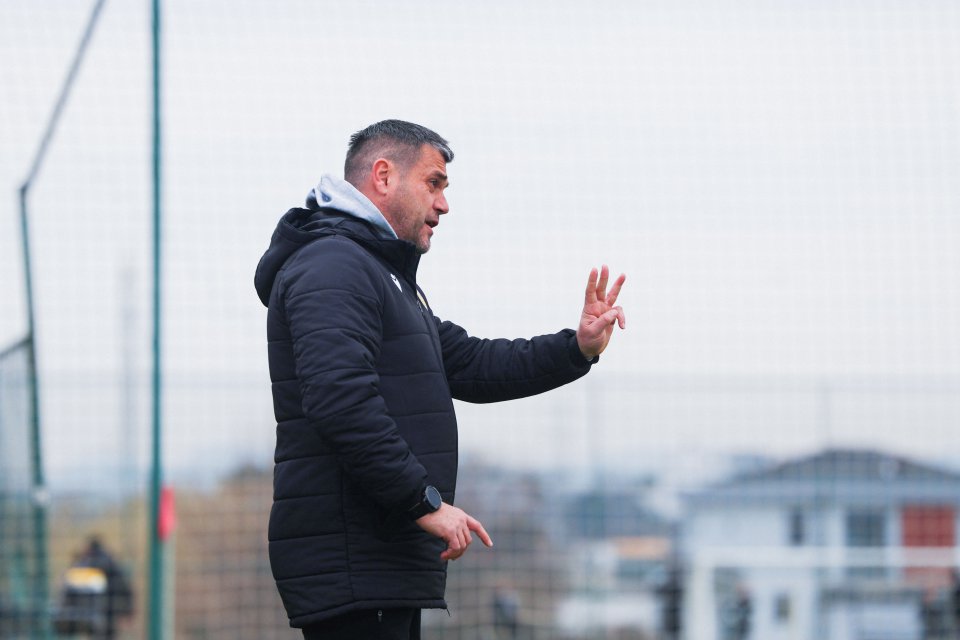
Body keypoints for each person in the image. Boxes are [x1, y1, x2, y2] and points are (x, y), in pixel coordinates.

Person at [254, 119, 626, 640]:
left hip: (376, 564)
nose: (444, 204)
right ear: (384, 176)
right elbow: (340, 401)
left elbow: (472, 363)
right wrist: (422, 502)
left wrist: (577, 348)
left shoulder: (377, 273)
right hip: (354, 563)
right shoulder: (334, 266)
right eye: (433, 183)